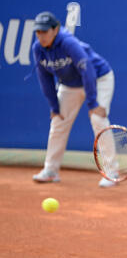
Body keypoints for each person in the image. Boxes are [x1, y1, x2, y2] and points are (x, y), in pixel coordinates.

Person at [31, 11, 116, 187]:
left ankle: (111, 172)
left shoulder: (68, 42)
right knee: (58, 122)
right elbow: (45, 79)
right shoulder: (38, 49)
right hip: (70, 85)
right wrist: (54, 107)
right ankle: (51, 171)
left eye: (44, 31)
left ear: (55, 29)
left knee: (98, 119)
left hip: (99, 79)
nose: (41, 36)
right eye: (38, 32)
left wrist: (93, 102)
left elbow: (88, 70)